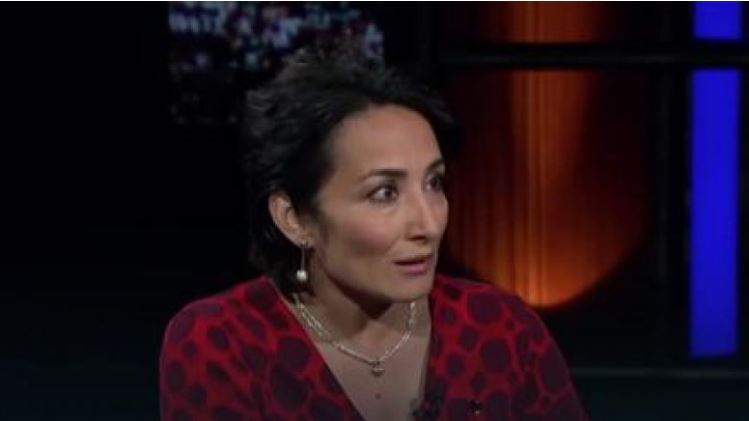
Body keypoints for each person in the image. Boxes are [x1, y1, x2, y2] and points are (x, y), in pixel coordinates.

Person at [159, 46, 588, 421]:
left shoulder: (501, 329)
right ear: (294, 219)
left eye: (434, 183)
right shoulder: (221, 343)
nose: (429, 224)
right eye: (385, 193)